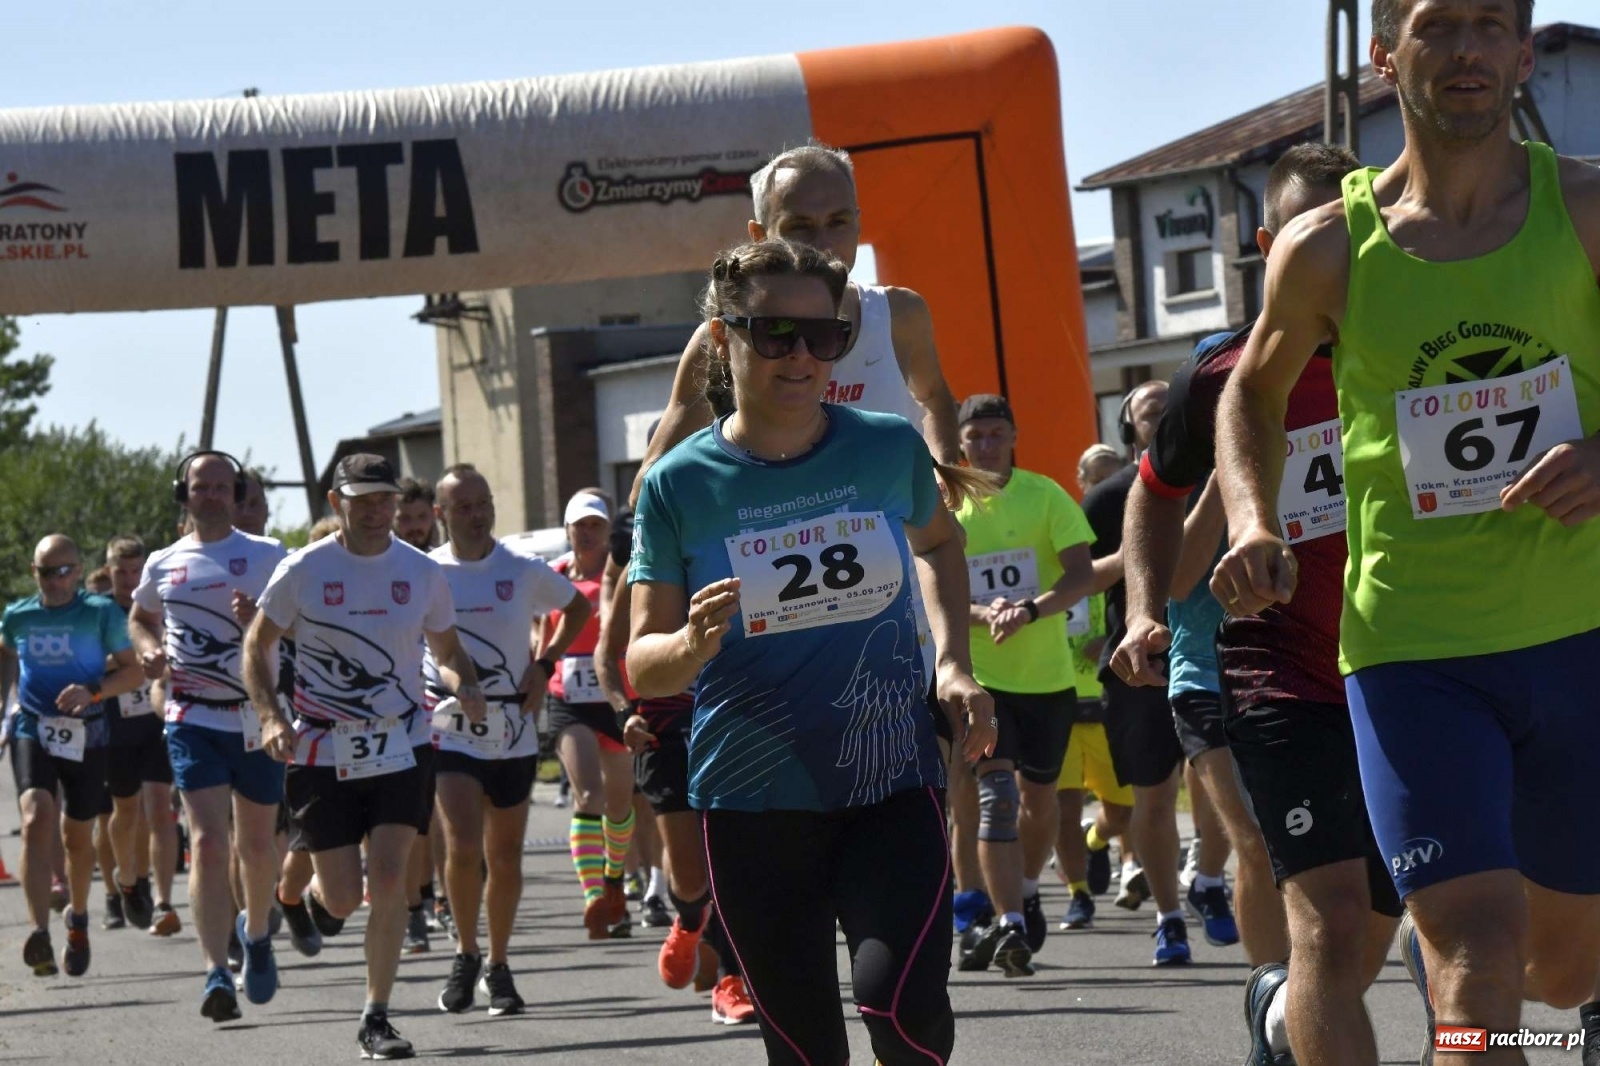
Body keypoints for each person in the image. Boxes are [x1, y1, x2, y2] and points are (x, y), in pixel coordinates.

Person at [1212, 3, 1600, 1062]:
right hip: (1410, 649)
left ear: (1523, 52)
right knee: (1475, 946)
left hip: (1579, 635)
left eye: (1490, 24)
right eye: (1437, 24)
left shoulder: (1586, 207)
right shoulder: (1328, 246)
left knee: (1562, 970)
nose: (1465, 48)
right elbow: (1248, 393)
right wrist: (1250, 516)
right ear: (1385, 54)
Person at [629, 238, 995, 1065]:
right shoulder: (678, 484)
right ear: (724, 339)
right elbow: (640, 660)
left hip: (888, 771)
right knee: (804, 1051)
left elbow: (938, 546)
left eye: (823, 336)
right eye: (774, 334)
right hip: (754, 795)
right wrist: (689, 642)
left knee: (900, 1012)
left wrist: (952, 663)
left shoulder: (884, 446)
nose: (802, 355)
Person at [1113, 142, 1400, 1066]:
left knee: (1388, 936)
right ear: (1273, 247)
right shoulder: (1224, 373)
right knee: (1332, 920)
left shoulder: (1425, 337)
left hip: (1421, 657)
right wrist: (1145, 608)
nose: (1341, 249)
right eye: (1315, 232)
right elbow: (1152, 492)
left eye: (1358, 227)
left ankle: (1281, 1014)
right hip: (1281, 669)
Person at [244, 453, 487, 1061]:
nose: (377, 512)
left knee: (389, 881)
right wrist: (272, 716)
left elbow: (448, 646)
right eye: (363, 501)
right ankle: (292, 897)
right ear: (337, 504)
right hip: (323, 746)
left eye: (385, 500)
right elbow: (258, 644)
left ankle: (375, 1017)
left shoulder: (421, 572)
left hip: (402, 743)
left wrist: (466, 683)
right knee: (346, 898)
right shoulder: (304, 569)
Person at [128, 451, 289, 1019]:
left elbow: (301, 620)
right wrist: (149, 652)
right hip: (192, 715)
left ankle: (259, 931)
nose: (213, 496)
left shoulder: (269, 557)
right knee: (207, 842)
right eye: (203, 487)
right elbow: (142, 616)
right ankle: (215, 971)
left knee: (257, 846)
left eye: (224, 487)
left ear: (238, 494)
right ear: (185, 493)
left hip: (255, 715)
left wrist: (262, 622)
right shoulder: (164, 561)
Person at [427, 463, 591, 1017]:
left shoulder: (521, 568)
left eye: (483, 503)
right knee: (463, 844)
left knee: (504, 853)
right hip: (450, 727)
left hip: (513, 728)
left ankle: (497, 964)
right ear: (440, 515)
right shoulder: (427, 572)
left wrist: (543, 665)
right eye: (464, 506)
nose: (476, 515)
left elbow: (577, 607)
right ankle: (465, 951)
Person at [949, 394, 1094, 978]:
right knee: (997, 798)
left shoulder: (1045, 494)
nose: (984, 445)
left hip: (1048, 678)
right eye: (974, 436)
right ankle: (1007, 920)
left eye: (994, 434)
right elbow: (934, 584)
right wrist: (985, 615)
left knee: (1041, 803)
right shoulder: (948, 505)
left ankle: (1028, 889)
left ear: (1013, 436)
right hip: (984, 680)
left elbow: (1081, 574)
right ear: (961, 443)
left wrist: (1030, 610)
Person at [600, 511, 753, 1023]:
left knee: (731, 859)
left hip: (729, 720)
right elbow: (607, 657)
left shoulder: (735, 547)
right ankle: (688, 919)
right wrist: (624, 714)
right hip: (663, 733)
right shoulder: (642, 565)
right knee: (689, 876)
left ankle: (732, 980)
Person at [1082, 380, 1196, 965]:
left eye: (1170, 409)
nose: (1162, 419)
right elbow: (1080, 580)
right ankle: (1169, 917)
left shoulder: (1214, 479)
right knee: (1150, 801)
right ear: (1129, 429)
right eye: (1151, 413)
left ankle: (1211, 880)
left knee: (1223, 785)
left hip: (1215, 650)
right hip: (1139, 665)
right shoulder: (1107, 499)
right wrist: (1142, 547)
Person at [1, 535, 143, 977]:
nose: (56, 580)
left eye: (64, 570)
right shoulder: (18, 616)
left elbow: (134, 671)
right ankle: (39, 930)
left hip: (88, 733)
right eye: (47, 572)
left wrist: (94, 690)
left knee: (76, 838)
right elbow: (5, 655)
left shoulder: (99, 613)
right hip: (33, 726)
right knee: (34, 817)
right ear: (34, 573)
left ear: (79, 571)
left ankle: (78, 918)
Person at [540, 489, 636, 939]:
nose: (588, 533)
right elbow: (541, 636)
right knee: (587, 795)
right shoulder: (555, 577)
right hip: (568, 700)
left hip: (613, 698)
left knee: (619, 803)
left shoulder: (620, 576)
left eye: (596, 525)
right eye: (580, 525)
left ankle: (615, 877)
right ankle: (593, 894)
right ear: (567, 530)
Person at [1054, 444, 1136, 932]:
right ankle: (1077, 894)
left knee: (1122, 813)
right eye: (1100, 479)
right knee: (1063, 806)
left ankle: (1097, 841)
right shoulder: (1061, 544)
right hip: (1060, 704)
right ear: (1083, 483)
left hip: (1105, 701)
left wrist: (1108, 641)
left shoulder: (1113, 555)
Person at [101, 535, 180, 938]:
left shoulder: (156, 606)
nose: (130, 579)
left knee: (159, 807)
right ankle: (124, 878)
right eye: (122, 571)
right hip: (115, 726)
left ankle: (161, 900)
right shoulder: (98, 612)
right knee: (124, 811)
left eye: (136, 571)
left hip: (155, 721)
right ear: (108, 570)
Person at [392, 476, 444, 953]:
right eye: (403, 519)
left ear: (435, 516)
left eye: (420, 518)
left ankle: (442, 900)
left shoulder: (446, 565)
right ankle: (414, 909)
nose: (412, 527)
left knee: (445, 815)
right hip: (404, 710)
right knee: (415, 822)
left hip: (449, 707)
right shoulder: (388, 567)